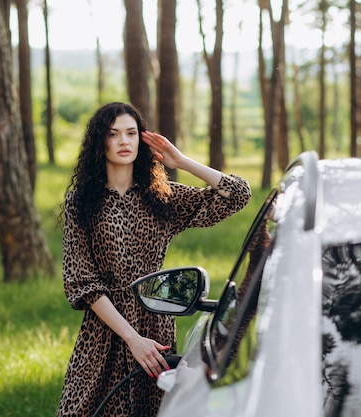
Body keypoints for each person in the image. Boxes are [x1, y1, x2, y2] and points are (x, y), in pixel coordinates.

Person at [56, 102, 252, 417]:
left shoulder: (160, 197)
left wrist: (183, 161)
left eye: (131, 133)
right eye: (113, 134)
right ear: (99, 142)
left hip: (155, 320)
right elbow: (81, 284)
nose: (123, 141)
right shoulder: (81, 202)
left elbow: (238, 194)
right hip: (105, 330)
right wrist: (132, 339)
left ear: (141, 140)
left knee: (154, 408)